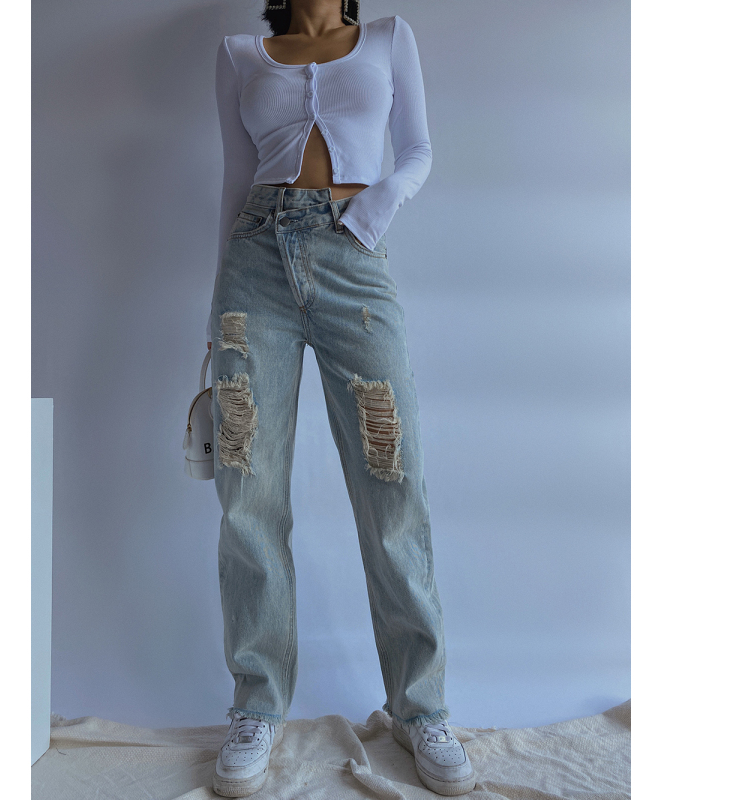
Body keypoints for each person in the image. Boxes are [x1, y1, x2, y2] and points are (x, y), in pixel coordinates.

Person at [207, 1, 477, 796]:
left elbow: (418, 150)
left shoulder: (389, 38)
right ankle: (257, 705)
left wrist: (371, 212)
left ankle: (420, 709)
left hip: (354, 258)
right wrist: (213, 320)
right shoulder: (239, 54)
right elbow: (233, 179)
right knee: (248, 492)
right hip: (253, 269)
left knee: (391, 483)